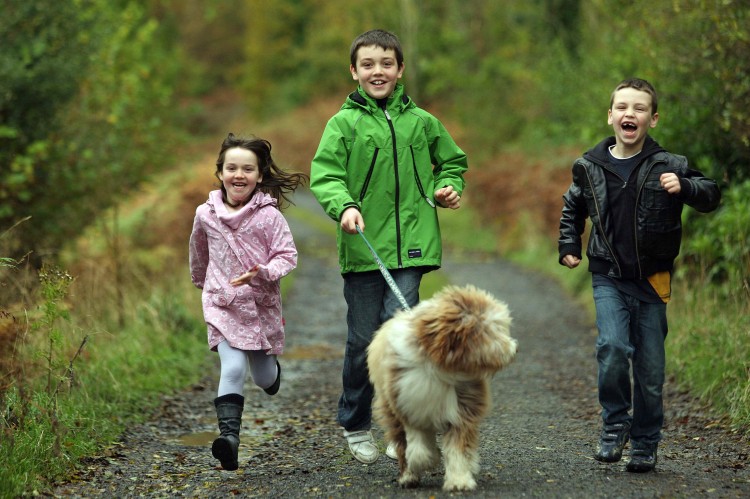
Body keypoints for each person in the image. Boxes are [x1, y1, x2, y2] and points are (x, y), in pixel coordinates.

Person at [310, 29, 468, 464]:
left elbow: (452, 162)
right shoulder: (342, 124)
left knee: (399, 334)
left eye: (386, 63)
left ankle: (404, 427)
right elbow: (326, 175)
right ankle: (355, 422)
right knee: (364, 337)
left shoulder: (422, 122)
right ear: (354, 71)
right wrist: (343, 207)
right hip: (363, 248)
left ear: (400, 70)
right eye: (368, 64)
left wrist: (446, 187)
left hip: (412, 248)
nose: (377, 71)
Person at [558, 78, 721, 472]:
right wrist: (568, 246)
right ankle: (615, 425)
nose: (630, 114)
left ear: (653, 119)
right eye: (623, 107)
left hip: (652, 280)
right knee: (612, 349)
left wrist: (684, 187)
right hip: (608, 275)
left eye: (640, 108)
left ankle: (646, 441)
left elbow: (711, 192)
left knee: (649, 372)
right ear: (610, 115)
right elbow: (573, 208)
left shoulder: (670, 164)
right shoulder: (589, 165)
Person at [189, 133, 308, 471]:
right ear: (220, 173)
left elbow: (288, 256)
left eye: (247, 169)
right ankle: (229, 440)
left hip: (260, 307)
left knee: (262, 377)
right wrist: (204, 285)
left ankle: (273, 376)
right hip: (222, 304)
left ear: (259, 175)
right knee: (234, 366)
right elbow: (198, 253)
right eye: (231, 168)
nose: (238, 175)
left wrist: (263, 270)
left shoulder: (270, 217)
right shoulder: (205, 214)